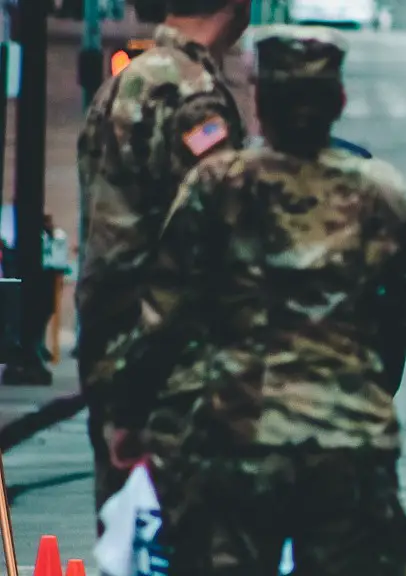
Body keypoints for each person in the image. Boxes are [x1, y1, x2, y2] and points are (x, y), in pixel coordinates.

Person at [109, 24, 406, 574]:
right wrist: (362, 377)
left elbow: (164, 313)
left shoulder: (217, 186)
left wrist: (131, 415)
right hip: (348, 442)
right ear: (338, 101)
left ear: (258, 100)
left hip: (238, 438)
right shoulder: (385, 194)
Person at [75, 0, 250, 531]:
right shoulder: (191, 96)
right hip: (172, 375)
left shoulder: (127, 83)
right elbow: (209, 247)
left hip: (118, 355)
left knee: (130, 540)